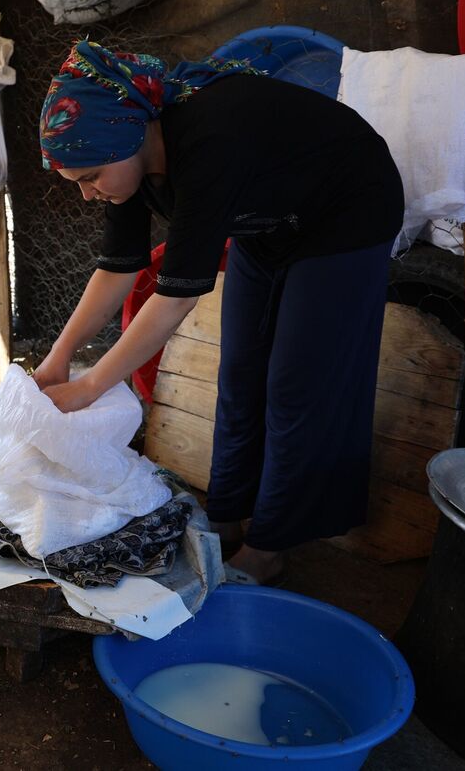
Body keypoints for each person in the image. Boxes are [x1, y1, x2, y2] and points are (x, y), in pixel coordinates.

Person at [32, 41, 403, 585]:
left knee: (297, 382)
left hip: (347, 209)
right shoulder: (124, 159)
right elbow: (118, 270)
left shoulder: (207, 142)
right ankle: (227, 516)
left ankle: (270, 544)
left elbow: (177, 296)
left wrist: (90, 389)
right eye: (78, 182)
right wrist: (57, 361)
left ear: (128, 139)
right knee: (241, 370)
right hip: (269, 220)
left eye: (90, 178)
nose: (88, 194)